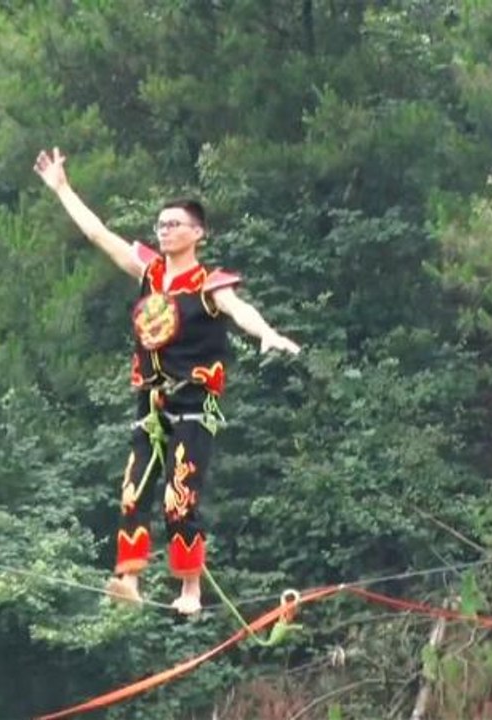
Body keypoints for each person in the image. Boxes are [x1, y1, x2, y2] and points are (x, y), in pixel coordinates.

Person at [34, 147, 301, 615]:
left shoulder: (209, 283)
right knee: (132, 492)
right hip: (151, 402)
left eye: (174, 224)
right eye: (160, 224)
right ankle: (129, 580)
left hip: (194, 403)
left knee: (179, 497)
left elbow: (240, 310)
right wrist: (62, 188)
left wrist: (267, 334)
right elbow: (98, 234)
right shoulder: (150, 271)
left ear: (197, 232)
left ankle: (190, 591)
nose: (164, 230)